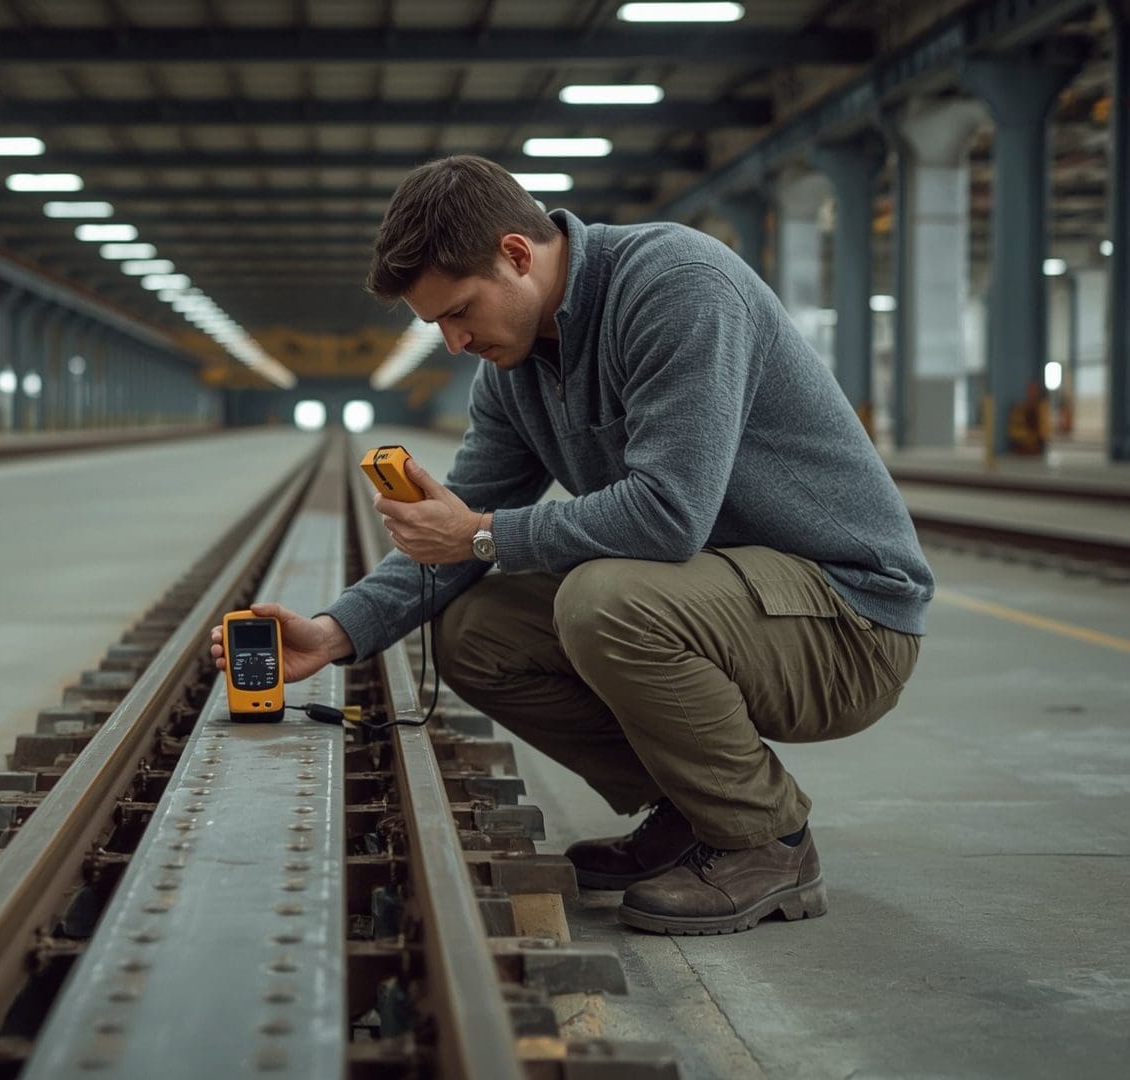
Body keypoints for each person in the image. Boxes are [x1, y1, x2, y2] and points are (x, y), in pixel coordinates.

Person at [209, 154, 933, 936]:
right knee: (476, 632)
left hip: (848, 618)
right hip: (730, 598)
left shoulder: (676, 285)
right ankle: (694, 810)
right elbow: (464, 527)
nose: (453, 342)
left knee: (605, 602)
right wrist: (336, 631)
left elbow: (667, 515)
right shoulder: (514, 373)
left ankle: (764, 840)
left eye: (459, 312)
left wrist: (484, 534)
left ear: (517, 255)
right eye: (436, 326)